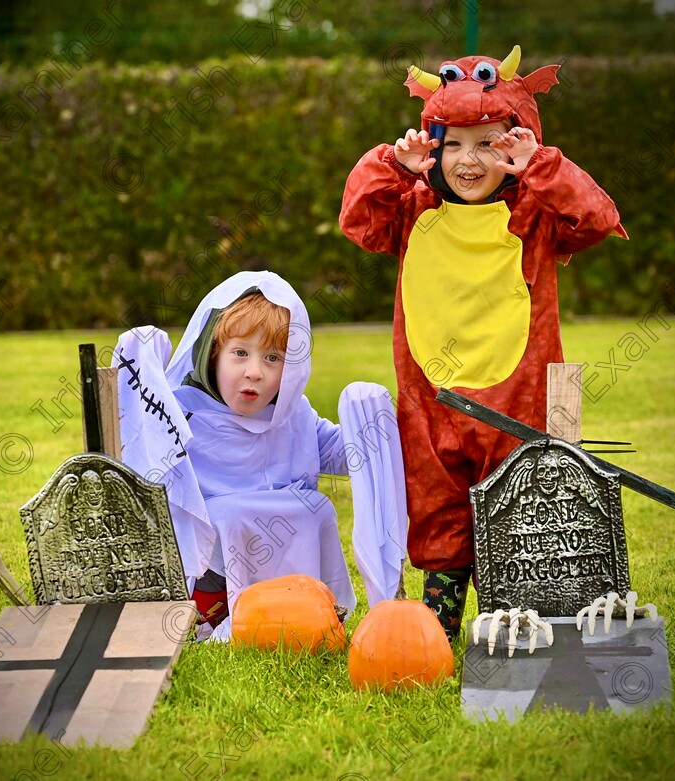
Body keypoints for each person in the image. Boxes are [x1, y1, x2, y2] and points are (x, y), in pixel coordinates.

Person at [339, 46, 627, 640]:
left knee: (524, 515)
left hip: (516, 401)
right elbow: (357, 219)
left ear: (515, 145)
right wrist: (393, 165)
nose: (468, 161)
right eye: (452, 144)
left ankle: (518, 621)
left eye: (489, 144)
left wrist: (542, 165)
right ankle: (438, 630)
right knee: (439, 513)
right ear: (432, 149)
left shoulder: (535, 213)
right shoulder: (411, 209)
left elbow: (597, 218)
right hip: (431, 403)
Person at [115, 271, 408, 640]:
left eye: (273, 358)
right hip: (214, 569)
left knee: (315, 505)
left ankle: (304, 610)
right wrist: (140, 370)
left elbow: (340, 453)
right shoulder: (182, 415)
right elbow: (143, 460)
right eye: (240, 353)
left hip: (285, 554)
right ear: (213, 354)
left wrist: (370, 420)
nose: (254, 372)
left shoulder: (292, 414)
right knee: (228, 514)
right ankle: (212, 616)